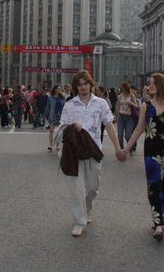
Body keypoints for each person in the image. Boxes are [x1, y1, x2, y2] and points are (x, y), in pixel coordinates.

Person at [124, 72, 164, 241]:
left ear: (161, 85)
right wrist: (126, 149)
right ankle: (158, 223)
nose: (150, 86)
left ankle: (160, 216)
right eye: (149, 83)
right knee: (154, 187)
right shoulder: (146, 105)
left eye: (153, 83)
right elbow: (139, 128)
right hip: (151, 151)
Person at [60, 70, 126, 237]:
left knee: (92, 187)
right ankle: (78, 221)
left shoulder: (101, 103)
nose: (82, 87)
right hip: (75, 152)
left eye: (85, 84)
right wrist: (72, 128)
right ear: (76, 87)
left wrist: (118, 148)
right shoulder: (69, 105)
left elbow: (109, 126)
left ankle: (88, 208)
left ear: (91, 84)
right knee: (77, 188)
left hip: (93, 150)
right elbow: (62, 128)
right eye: (79, 85)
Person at [116, 82, 138, 152]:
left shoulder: (131, 96)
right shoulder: (120, 96)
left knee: (128, 135)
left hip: (129, 117)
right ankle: (122, 150)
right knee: (120, 135)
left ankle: (130, 149)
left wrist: (131, 103)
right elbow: (118, 107)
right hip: (121, 116)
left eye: (125, 89)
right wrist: (117, 116)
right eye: (122, 89)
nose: (124, 91)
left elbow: (137, 106)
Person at [47, 85, 64, 151]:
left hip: (60, 115)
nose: (60, 90)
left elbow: (64, 107)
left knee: (59, 131)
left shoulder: (62, 98)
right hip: (52, 115)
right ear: (55, 90)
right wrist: (44, 116)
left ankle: (57, 145)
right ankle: (50, 145)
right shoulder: (50, 98)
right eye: (58, 89)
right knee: (51, 130)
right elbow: (47, 107)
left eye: (60, 89)